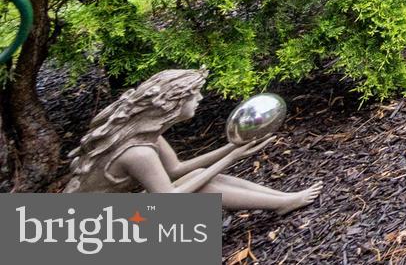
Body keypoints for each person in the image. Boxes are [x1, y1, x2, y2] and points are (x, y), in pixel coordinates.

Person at [65, 69, 320, 213]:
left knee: (199, 175)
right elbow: (170, 200)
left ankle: (282, 199)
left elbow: (177, 170)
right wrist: (231, 158)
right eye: (193, 95)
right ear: (173, 104)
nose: (199, 99)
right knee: (202, 188)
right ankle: (282, 203)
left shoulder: (145, 135)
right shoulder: (138, 152)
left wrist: (232, 147)